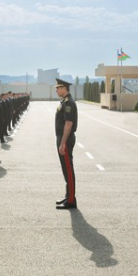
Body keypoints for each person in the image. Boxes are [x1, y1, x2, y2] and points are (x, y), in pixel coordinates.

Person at [54, 79, 77, 209]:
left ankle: (71, 200)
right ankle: (69, 196)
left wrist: (62, 143)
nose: (56, 90)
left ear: (64, 88)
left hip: (65, 139)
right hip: (62, 138)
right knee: (65, 169)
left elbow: (68, 124)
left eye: (58, 88)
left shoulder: (68, 103)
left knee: (68, 169)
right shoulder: (64, 102)